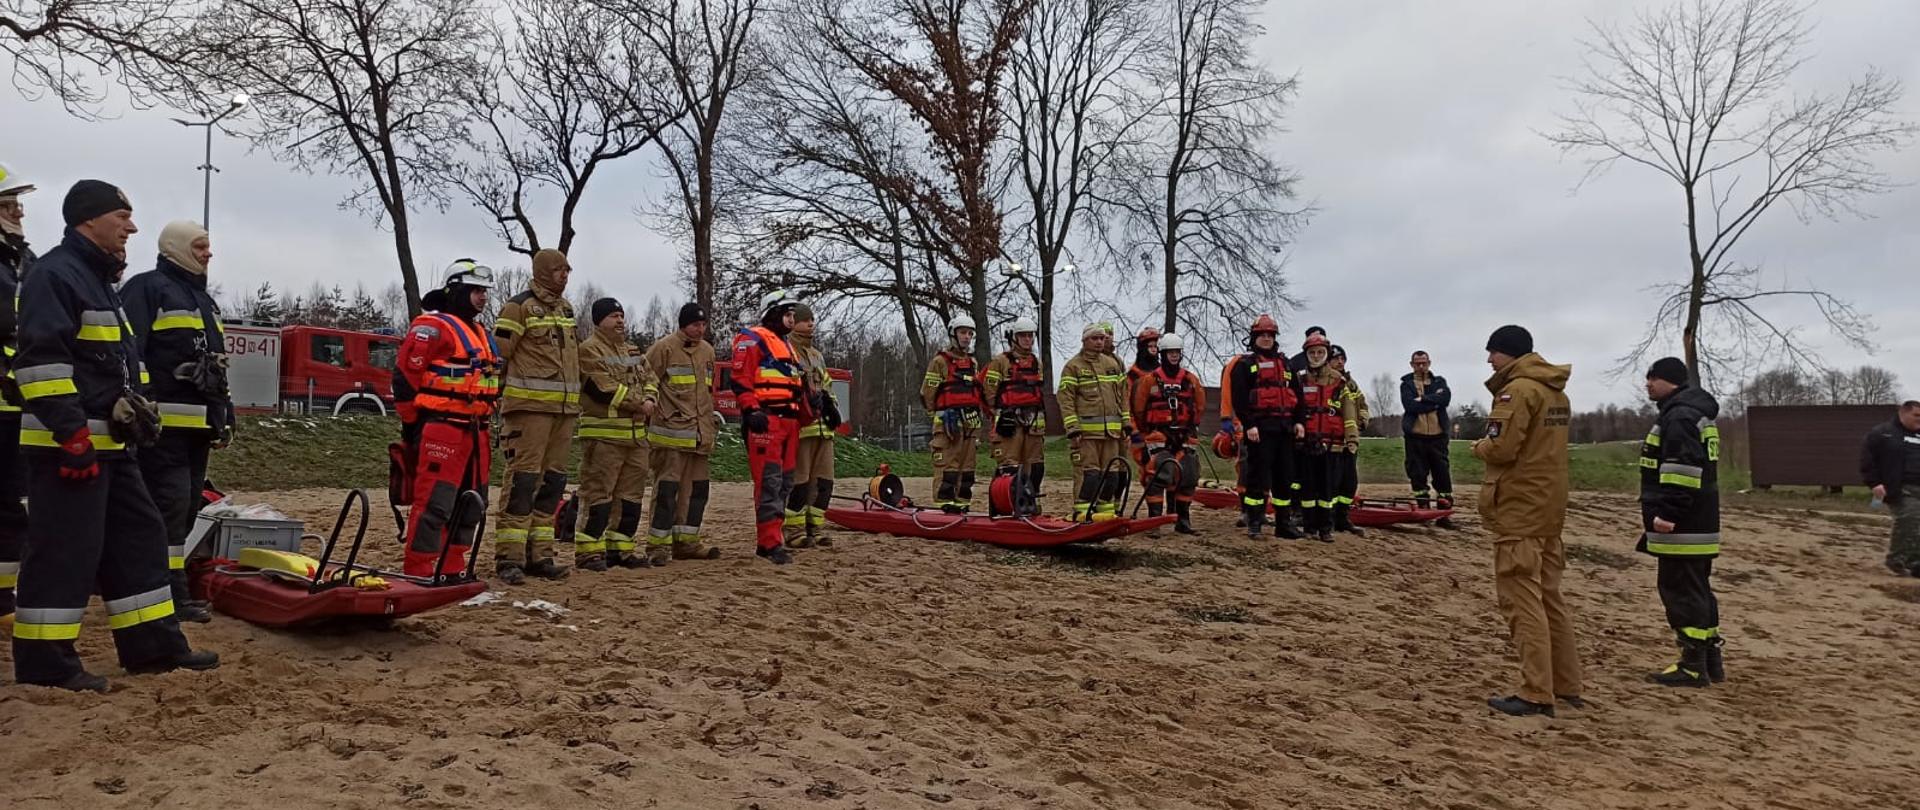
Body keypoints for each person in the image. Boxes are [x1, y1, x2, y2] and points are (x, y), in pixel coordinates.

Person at [12, 179, 216, 691]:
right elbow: (41, 366)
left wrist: (135, 405)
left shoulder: (96, 278)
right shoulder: (54, 275)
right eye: (122, 217)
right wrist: (72, 435)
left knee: (140, 541)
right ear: (89, 218)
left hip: (111, 448)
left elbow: (114, 364)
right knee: (64, 554)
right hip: (69, 450)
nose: (132, 227)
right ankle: (46, 667)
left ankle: (154, 649)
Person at [121, 221, 235, 623]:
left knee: (185, 512)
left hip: (198, 429)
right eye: (200, 246)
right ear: (177, 247)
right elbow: (129, 352)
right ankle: (166, 594)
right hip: (161, 429)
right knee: (168, 508)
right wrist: (143, 404)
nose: (208, 254)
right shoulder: (146, 289)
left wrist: (225, 414)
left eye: (208, 246)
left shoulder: (205, 301)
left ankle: (170, 591)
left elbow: (215, 367)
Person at [1472, 324, 1581, 717]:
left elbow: (1502, 448)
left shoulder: (1517, 390)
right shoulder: (1556, 392)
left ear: (1510, 353)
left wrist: (1478, 447)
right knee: (1550, 597)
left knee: (1521, 599)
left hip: (1520, 508)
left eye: (1494, 352)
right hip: (1549, 508)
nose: (1489, 360)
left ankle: (1536, 691)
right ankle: (1566, 683)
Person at [394, 260, 501, 579]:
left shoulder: (482, 333)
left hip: (477, 430)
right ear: (455, 290)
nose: (483, 297)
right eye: (476, 290)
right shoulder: (432, 327)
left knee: (473, 502)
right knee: (435, 501)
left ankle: (452, 567)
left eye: (485, 291)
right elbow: (405, 378)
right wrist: (412, 424)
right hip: (443, 427)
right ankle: (419, 568)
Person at [491, 249, 579, 584]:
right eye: (559, 270)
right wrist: (493, 397)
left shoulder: (566, 309)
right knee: (522, 483)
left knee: (552, 485)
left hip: (563, 413)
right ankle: (509, 558)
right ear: (542, 271)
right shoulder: (518, 307)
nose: (564, 275)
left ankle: (540, 556)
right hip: (528, 412)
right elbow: (499, 355)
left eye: (567, 270)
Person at [1637, 357, 1725, 687]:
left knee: (1681, 592)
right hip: (1699, 522)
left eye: (1654, 378)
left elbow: (1681, 471)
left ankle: (1692, 666)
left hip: (1683, 525)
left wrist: (1668, 513)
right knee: (1698, 590)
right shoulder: (1694, 413)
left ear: (1671, 381)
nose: (1648, 384)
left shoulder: (1679, 416)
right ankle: (1710, 661)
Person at [574, 298, 656, 571]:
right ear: (599, 320)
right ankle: (589, 553)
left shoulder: (632, 350)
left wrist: (651, 398)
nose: (620, 320)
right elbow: (602, 388)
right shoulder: (588, 350)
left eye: (621, 315)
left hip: (636, 438)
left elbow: (651, 379)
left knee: (630, 497)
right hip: (604, 438)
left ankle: (620, 550)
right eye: (613, 316)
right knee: (598, 495)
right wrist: (639, 403)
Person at [732, 290, 812, 565]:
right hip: (766, 421)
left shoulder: (787, 346)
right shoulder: (753, 339)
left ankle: (772, 538)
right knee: (770, 483)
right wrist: (751, 409)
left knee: (784, 484)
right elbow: (740, 379)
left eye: (792, 314)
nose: (791, 319)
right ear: (773, 313)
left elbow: (795, 384)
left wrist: (814, 406)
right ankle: (769, 542)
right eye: (787, 314)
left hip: (789, 423)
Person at [644, 302, 721, 564]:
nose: (700, 329)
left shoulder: (707, 351)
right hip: (670, 435)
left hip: (699, 436)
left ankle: (687, 542)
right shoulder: (663, 348)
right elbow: (646, 381)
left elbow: (706, 392)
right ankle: (657, 547)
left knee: (697, 491)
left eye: (703, 324)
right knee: (667, 491)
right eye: (695, 325)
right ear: (683, 325)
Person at [0, 163, 38, 629]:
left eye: (18, 205)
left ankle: (2, 597)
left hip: (17, 407)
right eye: (9, 205)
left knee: (12, 505)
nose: (19, 212)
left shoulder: (26, 262)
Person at [1229, 315, 1305, 538]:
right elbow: (1240, 400)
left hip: (1284, 429)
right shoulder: (1245, 365)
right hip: (1260, 431)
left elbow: (1297, 396)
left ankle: (1283, 524)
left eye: (1270, 335)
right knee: (1257, 477)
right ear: (1254, 337)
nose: (1266, 338)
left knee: (1284, 478)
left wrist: (1299, 421)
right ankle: (1254, 522)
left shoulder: (1286, 364)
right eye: (1262, 335)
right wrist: (1249, 424)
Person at [1131, 333, 1205, 535]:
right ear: (1162, 354)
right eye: (1170, 352)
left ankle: (1183, 520)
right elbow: (1138, 409)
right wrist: (1143, 434)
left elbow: (1199, 406)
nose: (1174, 355)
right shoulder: (1148, 381)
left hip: (1184, 435)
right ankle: (1154, 521)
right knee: (1158, 474)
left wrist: (1190, 428)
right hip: (1158, 435)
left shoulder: (1190, 380)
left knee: (1189, 475)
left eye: (1176, 352)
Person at [1060, 323, 1131, 521]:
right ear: (1084, 340)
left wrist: (1126, 423)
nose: (1100, 342)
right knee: (1089, 474)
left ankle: (1105, 512)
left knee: (1111, 475)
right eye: (1095, 338)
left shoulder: (1112, 365)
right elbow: (1065, 400)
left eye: (1101, 338)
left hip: (1112, 434)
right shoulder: (1073, 366)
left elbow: (1123, 397)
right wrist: (1073, 428)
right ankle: (1083, 511)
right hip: (1087, 435)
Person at [784, 303, 841, 548]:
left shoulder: (817, 355)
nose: (810, 323)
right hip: (801, 429)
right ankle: (794, 531)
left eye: (812, 319)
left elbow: (827, 384)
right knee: (799, 482)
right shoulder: (786, 351)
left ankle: (815, 528)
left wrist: (832, 408)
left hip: (823, 429)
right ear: (792, 322)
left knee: (823, 483)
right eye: (805, 319)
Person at [1294, 334, 1358, 543]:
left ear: (1326, 354)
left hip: (1333, 445)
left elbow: (1349, 414)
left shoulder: (1339, 381)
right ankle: (1309, 526)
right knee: (1308, 488)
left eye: (1320, 352)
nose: (1316, 356)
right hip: (1307, 443)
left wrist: (1352, 439)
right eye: (1312, 352)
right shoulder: (1300, 379)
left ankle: (1325, 528)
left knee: (1327, 489)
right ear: (1306, 355)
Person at [984, 318, 1047, 514]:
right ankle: (1005, 505)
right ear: (1013, 338)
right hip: (1009, 423)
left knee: (1036, 467)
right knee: (1009, 467)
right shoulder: (1000, 362)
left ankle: (1030, 503)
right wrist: (997, 414)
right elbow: (989, 392)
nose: (1027, 339)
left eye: (1030, 335)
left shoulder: (1037, 363)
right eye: (1023, 336)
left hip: (1033, 423)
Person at [921, 317, 983, 512]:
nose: (967, 337)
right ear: (953, 334)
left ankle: (963, 504)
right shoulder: (940, 362)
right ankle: (945, 505)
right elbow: (927, 393)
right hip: (948, 424)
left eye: (970, 333)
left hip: (969, 424)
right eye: (963, 332)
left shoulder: (973, 362)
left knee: (967, 468)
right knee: (948, 466)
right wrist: (938, 416)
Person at [1861, 400, 1920, 577]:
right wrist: (1874, 483)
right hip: (1899, 488)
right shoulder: (1883, 433)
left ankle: (1915, 563)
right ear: (1903, 413)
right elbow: (1867, 460)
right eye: (1916, 415)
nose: (1919, 419)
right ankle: (1897, 559)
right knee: (1911, 517)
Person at [1401, 350, 1456, 526]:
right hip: (1415, 437)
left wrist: (1423, 398)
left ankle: (1444, 513)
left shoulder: (1439, 381)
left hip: (1437, 437)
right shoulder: (1406, 384)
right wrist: (1434, 403)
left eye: (1424, 363)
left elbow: (1445, 399)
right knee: (1417, 474)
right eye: (1417, 363)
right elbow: (1410, 406)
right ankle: (1423, 509)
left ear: (1429, 363)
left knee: (1442, 474)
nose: (1421, 366)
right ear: (1412, 365)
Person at [1329, 345, 1367, 536]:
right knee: (1332, 481)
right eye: (1336, 358)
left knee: (1349, 481)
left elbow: (1362, 404)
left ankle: (1342, 518)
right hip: (1333, 440)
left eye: (1342, 358)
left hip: (1350, 440)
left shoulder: (1351, 383)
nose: (1340, 362)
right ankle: (1329, 518)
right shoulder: (1327, 382)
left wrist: (1363, 420)